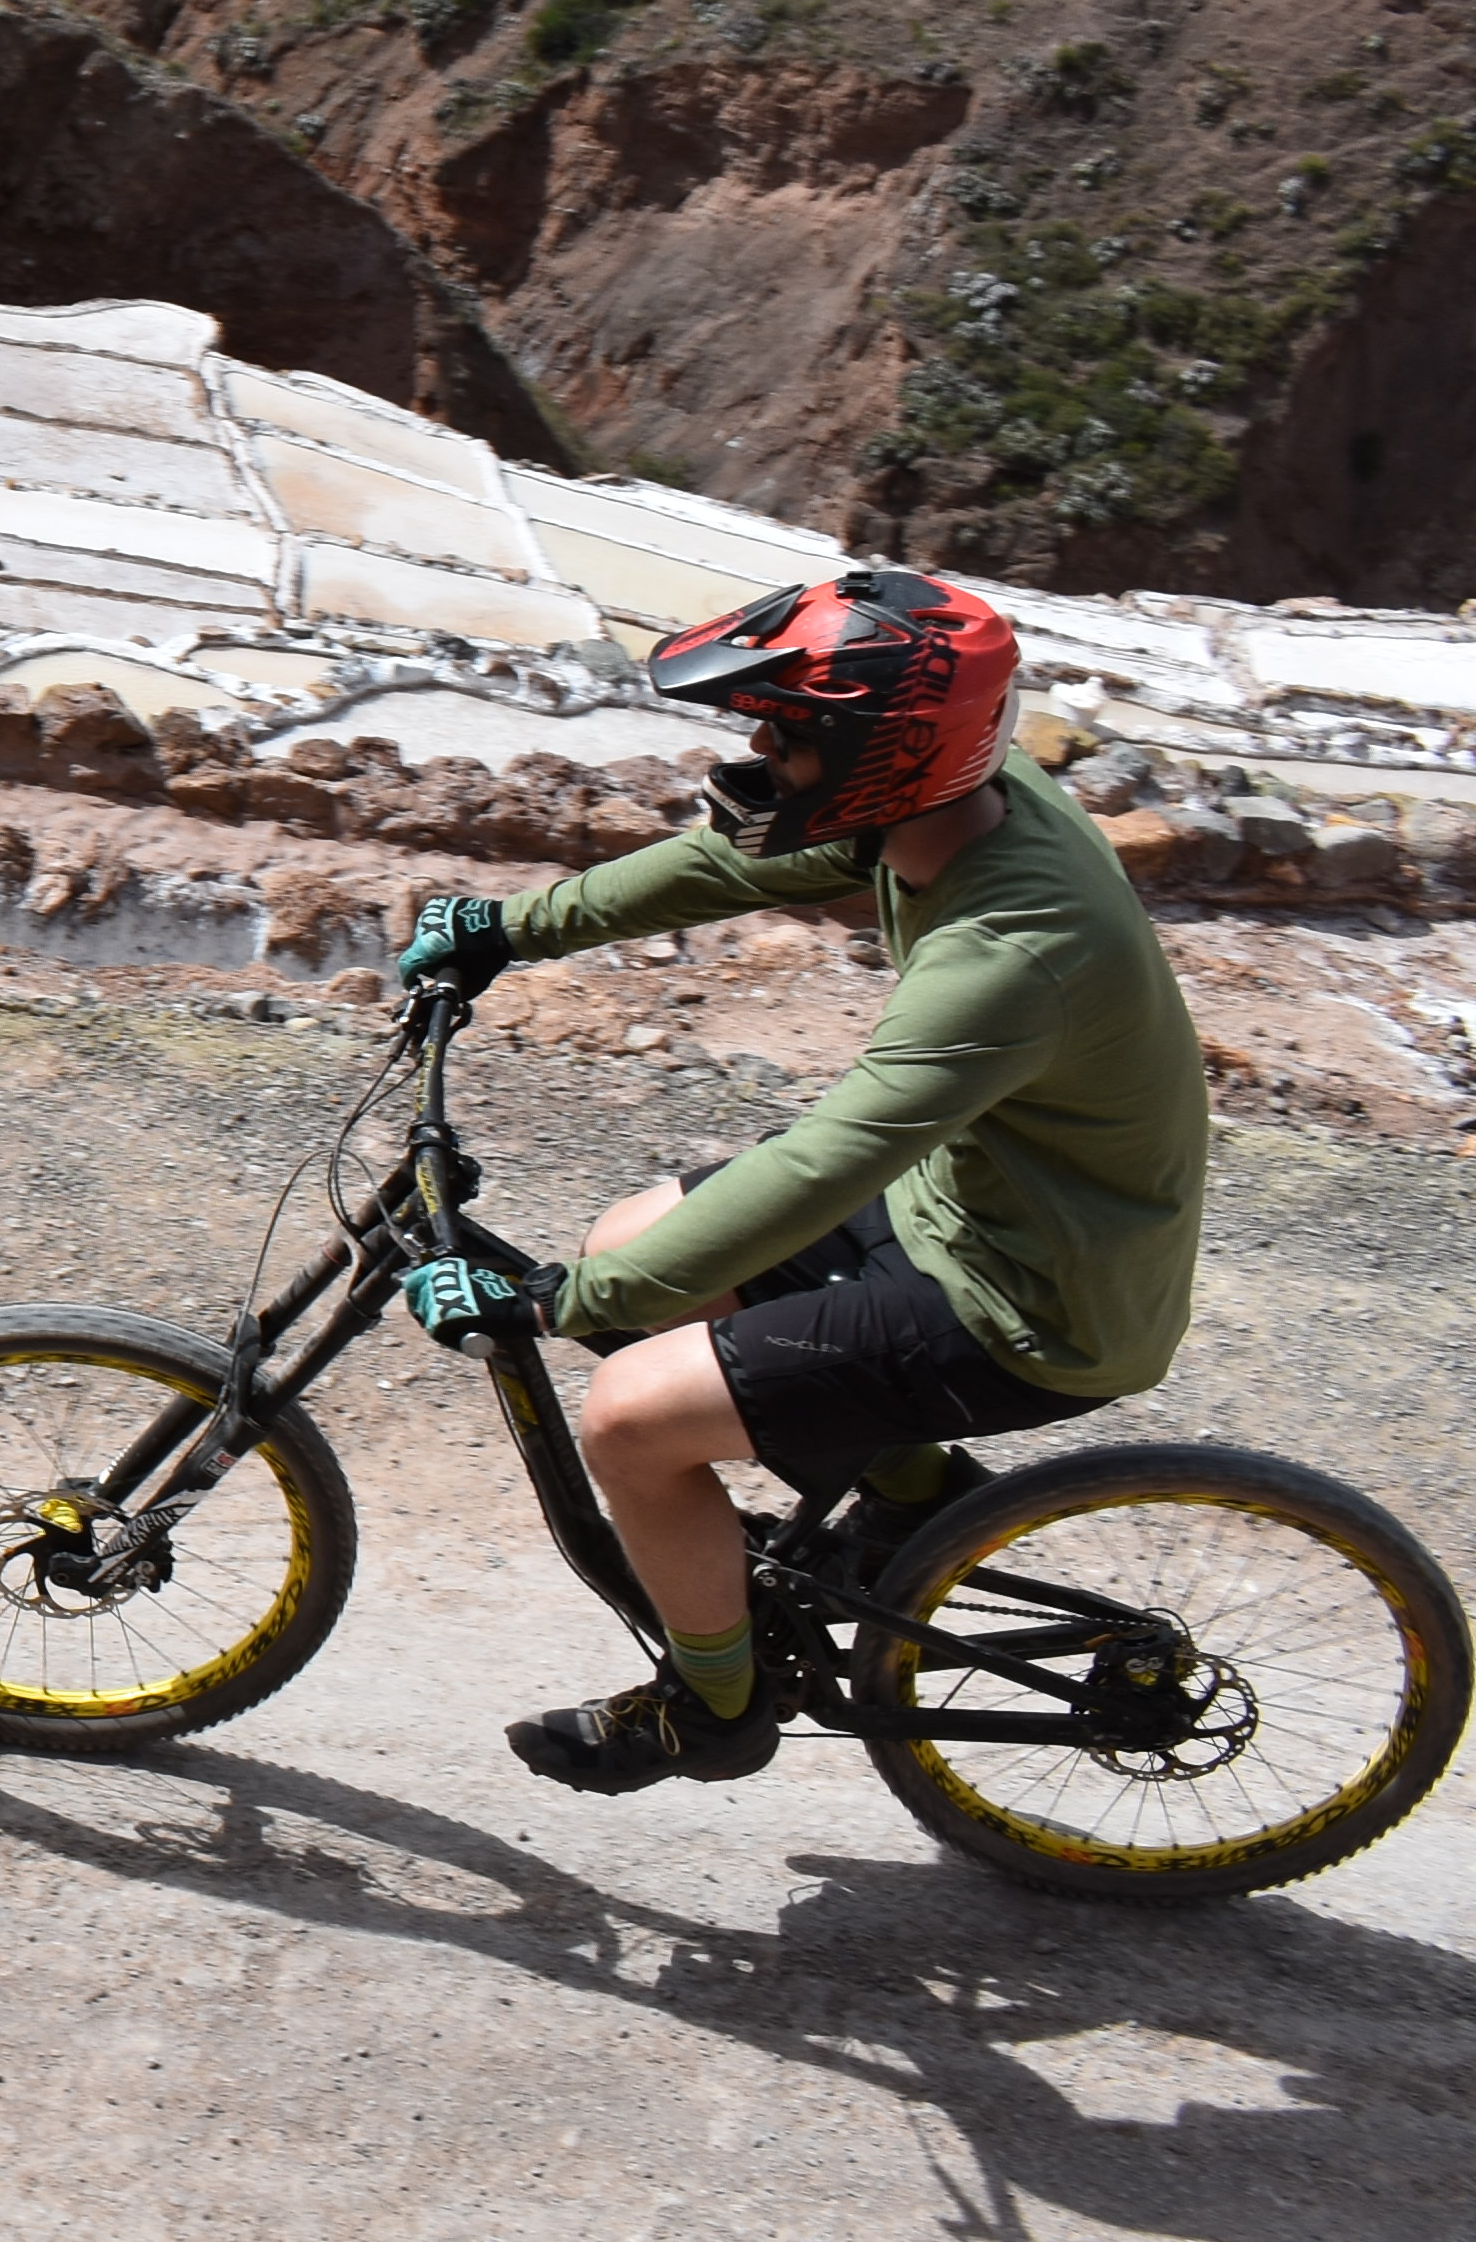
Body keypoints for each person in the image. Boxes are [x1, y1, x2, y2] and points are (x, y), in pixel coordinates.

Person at [390, 565, 1208, 1796]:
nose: (758, 756)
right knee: (633, 1243)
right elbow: (736, 865)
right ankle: (914, 1504)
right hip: (974, 1211)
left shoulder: (1011, 955)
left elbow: (830, 1155)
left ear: (887, 759)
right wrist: (515, 925)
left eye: (789, 736)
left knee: (627, 1418)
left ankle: (713, 1707)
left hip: (1035, 1305)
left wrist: (560, 1303)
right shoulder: (960, 800)